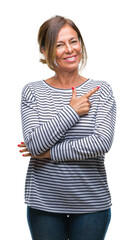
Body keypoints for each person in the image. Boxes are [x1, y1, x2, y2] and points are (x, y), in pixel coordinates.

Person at [18, 15, 116, 240]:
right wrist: (72, 112)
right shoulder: (32, 92)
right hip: (44, 203)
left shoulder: (101, 91)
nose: (69, 50)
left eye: (73, 41)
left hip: (92, 203)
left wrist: (49, 153)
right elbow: (33, 143)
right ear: (45, 51)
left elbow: (101, 143)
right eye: (59, 44)